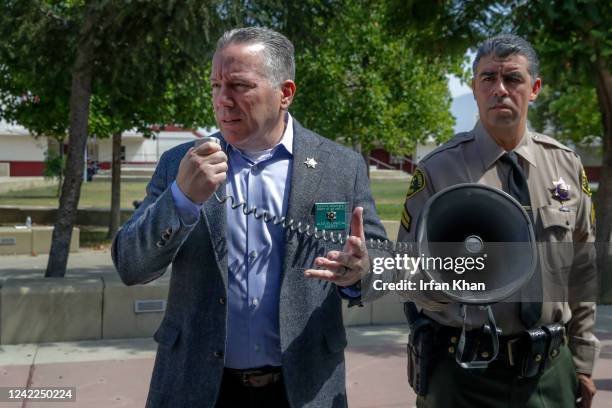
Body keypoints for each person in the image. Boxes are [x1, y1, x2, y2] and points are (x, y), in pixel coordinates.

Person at [112, 27, 385, 408]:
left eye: (239, 86)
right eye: (215, 86)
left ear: (285, 93)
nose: (222, 100)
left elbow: (381, 261)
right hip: (197, 387)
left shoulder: (341, 166)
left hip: (303, 388)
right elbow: (130, 265)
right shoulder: (181, 164)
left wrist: (361, 271)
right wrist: (181, 198)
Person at [397, 34, 600, 407]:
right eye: (488, 78)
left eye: (513, 79)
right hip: (461, 373)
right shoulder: (438, 171)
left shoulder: (566, 166)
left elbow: (583, 270)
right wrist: (450, 278)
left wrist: (583, 361)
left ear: (535, 88)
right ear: (474, 88)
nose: (500, 90)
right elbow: (407, 276)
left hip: (549, 371)